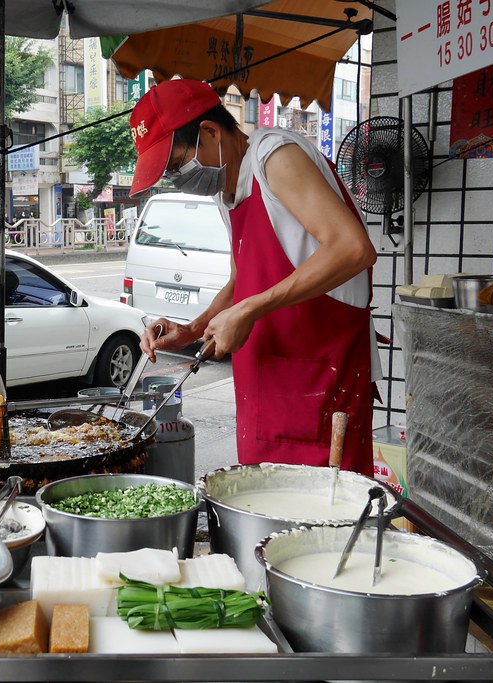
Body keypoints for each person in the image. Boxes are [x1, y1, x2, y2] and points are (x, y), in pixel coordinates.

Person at [128, 78, 380, 476]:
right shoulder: (225, 190)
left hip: (319, 377)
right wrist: (193, 329)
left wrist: (253, 308)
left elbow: (353, 249)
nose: (178, 179)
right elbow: (240, 279)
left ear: (210, 133)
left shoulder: (275, 158)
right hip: (265, 387)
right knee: (263, 512)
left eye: (176, 165)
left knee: (324, 519)